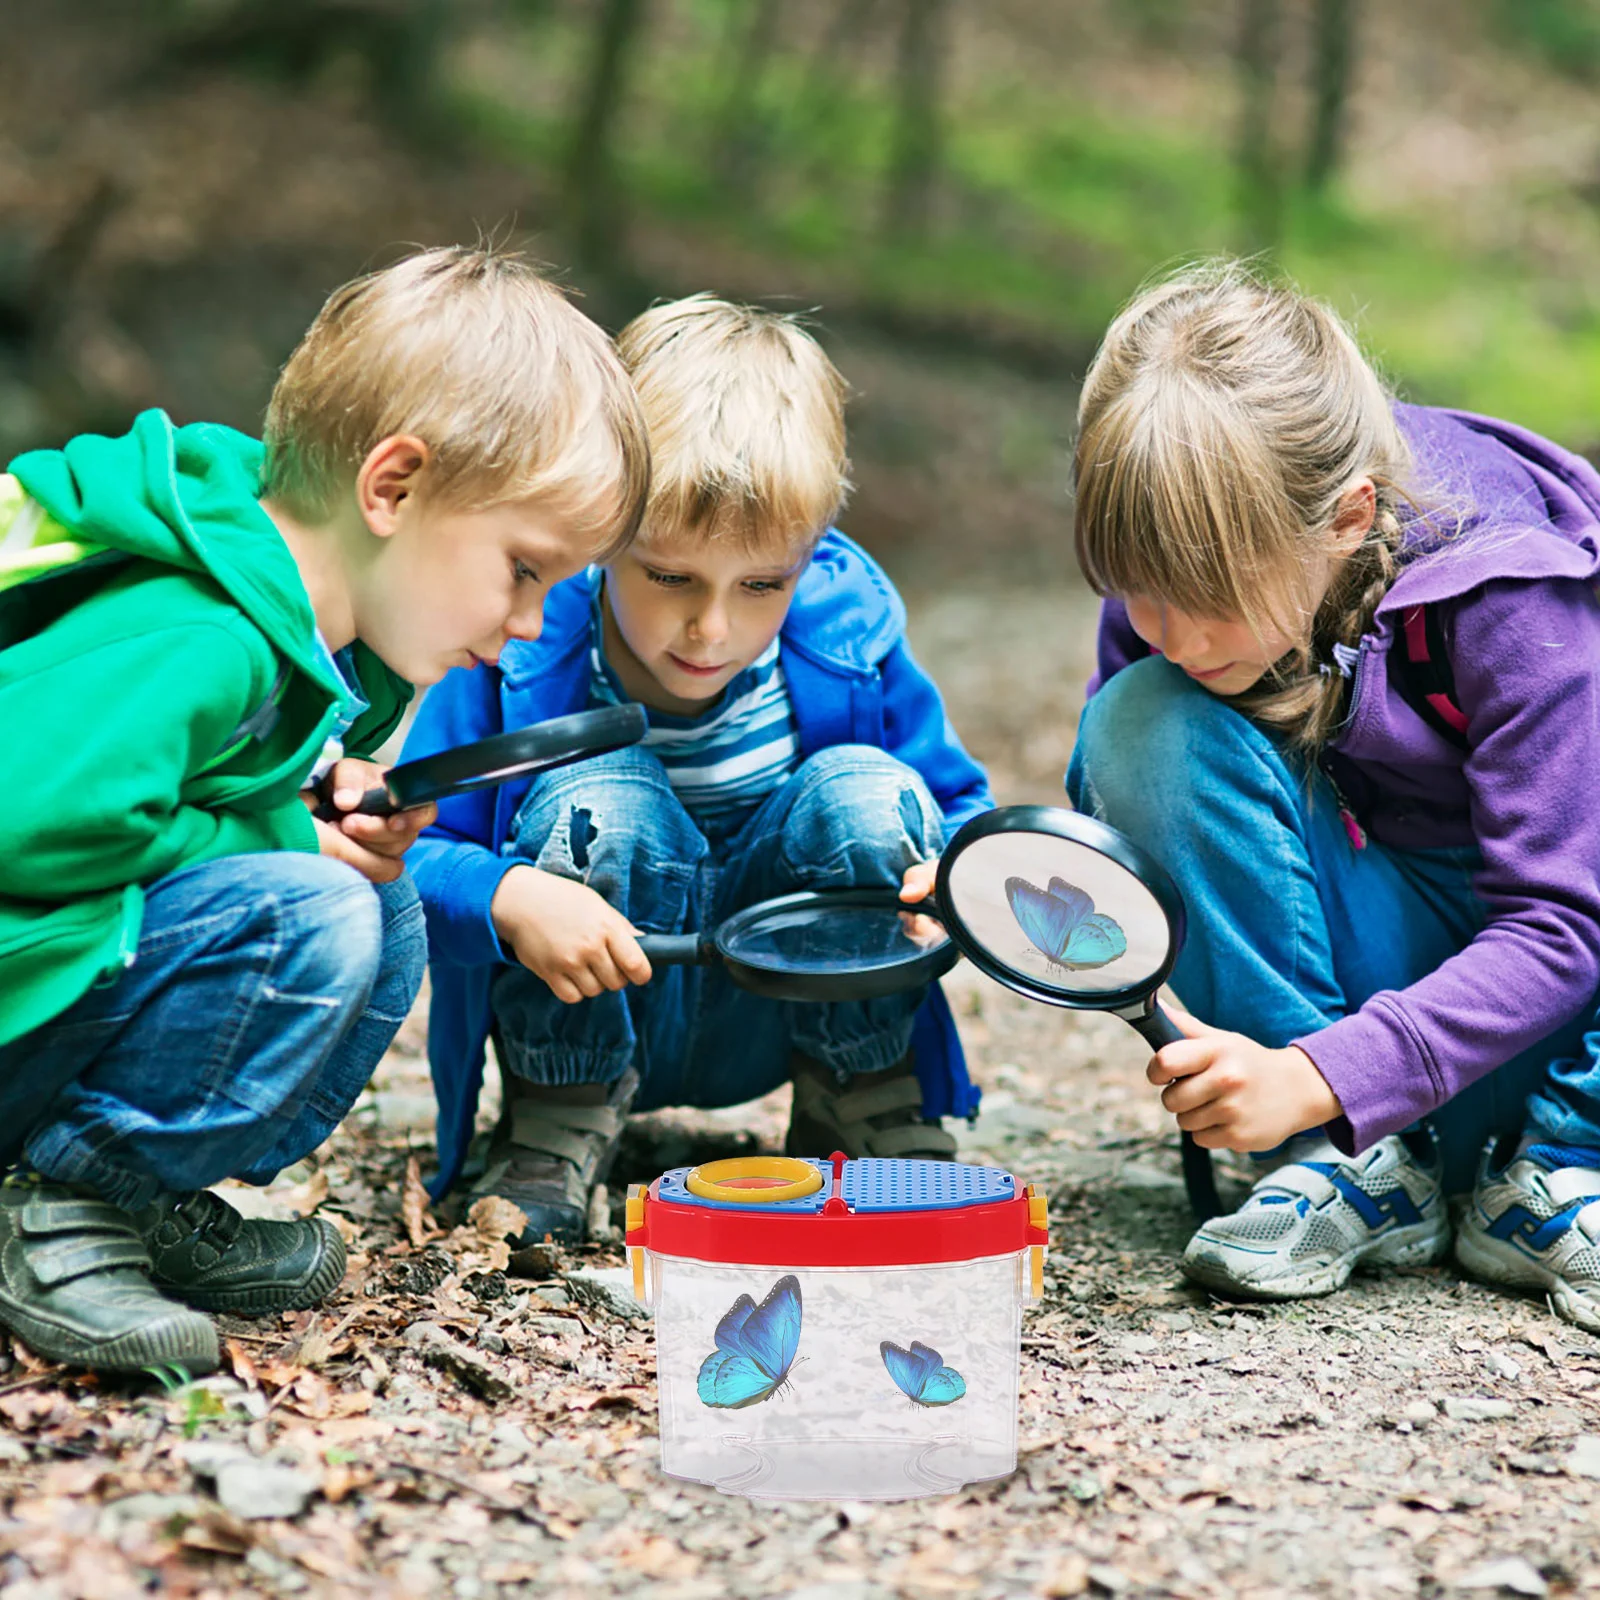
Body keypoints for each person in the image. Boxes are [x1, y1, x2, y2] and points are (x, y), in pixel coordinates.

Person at [0, 245, 649, 1372]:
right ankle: (54, 1204)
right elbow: (27, 817)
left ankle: (127, 1192)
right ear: (391, 488)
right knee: (311, 911)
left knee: (376, 902)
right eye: (525, 569)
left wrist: (301, 804)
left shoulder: (283, 634)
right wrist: (279, 835)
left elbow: (175, 799)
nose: (535, 621)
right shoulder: (200, 630)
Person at [1068, 261, 1600, 1332]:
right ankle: (1349, 1169)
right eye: (1139, 587)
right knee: (1139, 722)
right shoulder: (1178, 603)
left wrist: (1324, 1069)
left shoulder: (1509, 596)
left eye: (1208, 598)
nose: (1166, 631)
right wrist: (1006, 881)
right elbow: (1134, 844)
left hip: (1558, 1021)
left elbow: (1560, 927)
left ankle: (1562, 1166)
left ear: (1347, 517)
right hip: (1379, 1027)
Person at [407, 295, 992, 1243]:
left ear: (808, 557)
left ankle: (860, 1092)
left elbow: (959, 807)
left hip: (781, 1001)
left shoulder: (847, 640)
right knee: (604, 791)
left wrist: (953, 874)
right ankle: (560, 1118)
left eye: (762, 584)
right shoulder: (521, 649)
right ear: (601, 536)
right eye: (670, 576)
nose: (712, 629)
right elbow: (413, 857)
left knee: (866, 790)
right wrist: (509, 895)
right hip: (591, 995)